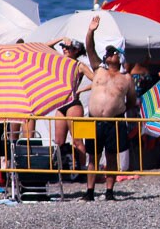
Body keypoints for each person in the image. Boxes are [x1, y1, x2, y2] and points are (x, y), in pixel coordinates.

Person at [84, 17, 138, 201]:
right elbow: (89, 48)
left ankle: (109, 192)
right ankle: (89, 192)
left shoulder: (126, 78)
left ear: (120, 57)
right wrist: (91, 31)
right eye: (108, 52)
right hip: (93, 119)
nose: (109, 55)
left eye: (113, 52)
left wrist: (117, 110)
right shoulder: (98, 69)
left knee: (111, 156)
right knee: (92, 157)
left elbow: (131, 101)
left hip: (114, 121)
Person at [48, 38, 96, 173]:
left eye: (67, 48)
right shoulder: (59, 60)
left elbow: (97, 80)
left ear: (76, 50)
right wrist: (61, 38)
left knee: (77, 140)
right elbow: (46, 46)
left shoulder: (79, 65)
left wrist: (81, 90)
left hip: (73, 104)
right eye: (62, 47)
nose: (63, 49)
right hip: (61, 104)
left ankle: (82, 169)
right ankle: (62, 169)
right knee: (58, 140)